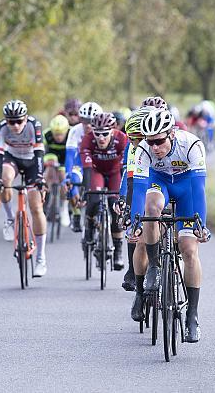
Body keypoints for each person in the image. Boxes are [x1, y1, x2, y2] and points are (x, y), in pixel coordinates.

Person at [128, 109, 210, 343]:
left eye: (159, 141)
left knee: (189, 250)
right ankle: (153, 266)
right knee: (151, 210)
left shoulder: (192, 145)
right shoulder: (143, 149)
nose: (154, 147)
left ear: (172, 134)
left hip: (186, 188)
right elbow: (140, 189)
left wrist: (200, 224)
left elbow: (199, 188)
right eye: (150, 141)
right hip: (160, 182)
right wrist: (136, 220)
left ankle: (192, 316)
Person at [0, 100, 49, 277]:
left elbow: (40, 153)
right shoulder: (0, 127)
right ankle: (10, 219)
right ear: (6, 121)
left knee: (36, 206)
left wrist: (39, 178)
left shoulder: (34, 125)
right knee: (5, 179)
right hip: (13, 158)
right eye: (11, 122)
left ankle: (41, 258)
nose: (15, 126)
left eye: (19, 121)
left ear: (25, 118)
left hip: (32, 161)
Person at [79, 112, 128, 270]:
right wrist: (86, 191)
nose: (101, 138)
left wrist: (123, 193)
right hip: (96, 172)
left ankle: (118, 251)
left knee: (115, 208)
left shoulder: (121, 139)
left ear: (113, 130)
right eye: (97, 133)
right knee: (93, 198)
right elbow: (86, 168)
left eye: (105, 134)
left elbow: (125, 168)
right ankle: (90, 227)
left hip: (115, 173)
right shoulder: (87, 140)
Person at [117, 106, 156, 291]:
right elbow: (130, 178)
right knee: (137, 227)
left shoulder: (159, 143)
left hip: (162, 185)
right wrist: (124, 201)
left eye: (139, 138)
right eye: (131, 138)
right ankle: (134, 271)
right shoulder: (133, 149)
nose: (135, 142)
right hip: (141, 184)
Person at [63, 101, 103, 232]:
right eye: (85, 121)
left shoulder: (103, 131)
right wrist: (67, 176)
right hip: (80, 163)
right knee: (73, 180)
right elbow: (69, 155)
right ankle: (76, 213)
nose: (88, 125)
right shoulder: (75, 131)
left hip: (98, 163)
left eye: (91, 121)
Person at [43, 114, 71, 226]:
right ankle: (47, 196)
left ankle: (64, 207)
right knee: (49, 173)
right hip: (51, 155)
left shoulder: (71, 133)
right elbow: (41, 151)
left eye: (61, 134)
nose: (58, 137)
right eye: (56, 134)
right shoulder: (46, 134)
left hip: (66, 156)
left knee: (63, 177)